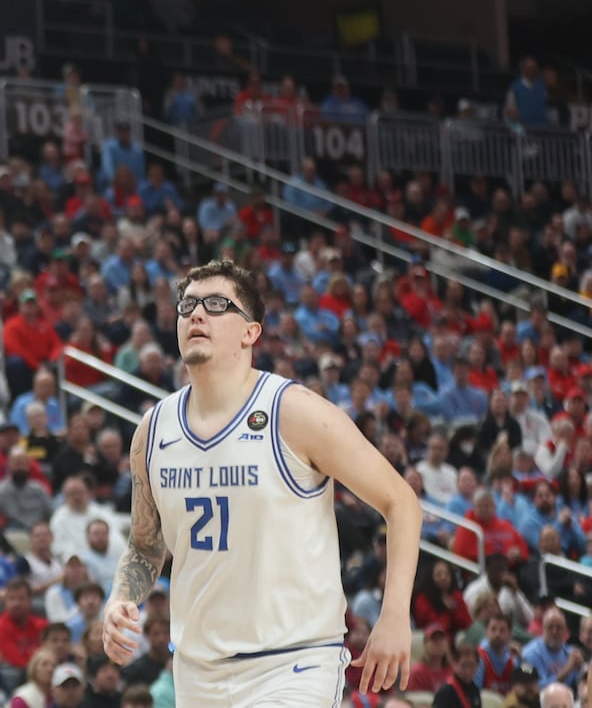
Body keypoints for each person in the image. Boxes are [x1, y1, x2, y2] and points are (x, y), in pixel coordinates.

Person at [101, 259, 420, 703]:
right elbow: (145, 545)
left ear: (251, 332)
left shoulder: (294, 412)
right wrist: (121, 599)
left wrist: (394, 616)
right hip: (197, 674)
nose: (196, 313)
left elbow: (401, 502)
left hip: (292, 664)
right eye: (187, 304)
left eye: (216, 305)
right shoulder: (152, 432)